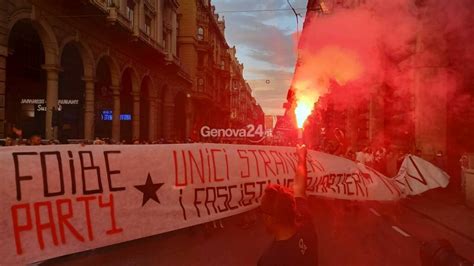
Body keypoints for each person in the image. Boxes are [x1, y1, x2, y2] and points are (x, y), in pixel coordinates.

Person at [258, 144, 318, 266]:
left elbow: (298, 188)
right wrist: (301, 158)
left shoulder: (269, 260)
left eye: (262, 211)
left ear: (270, 218)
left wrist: (301, 158)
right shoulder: (305, 221)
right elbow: (299, 188)